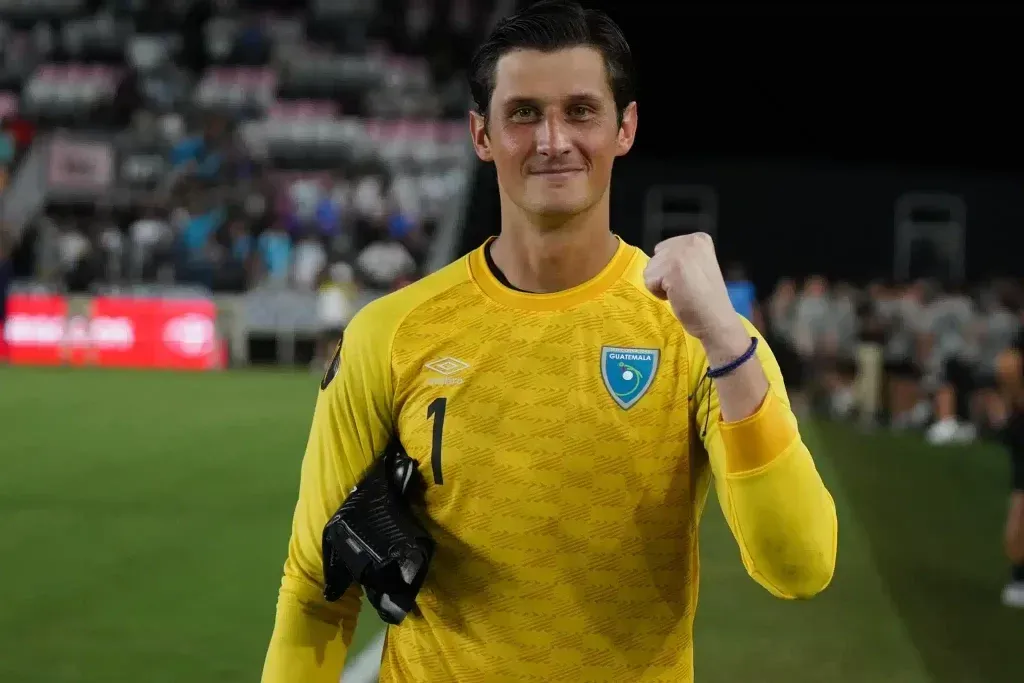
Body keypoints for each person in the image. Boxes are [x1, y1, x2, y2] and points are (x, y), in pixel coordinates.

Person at [261, 2, 838, 681]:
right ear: (482, 134)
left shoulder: (701, 337)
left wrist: (726, 342)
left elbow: (798, 567)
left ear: (626, 127)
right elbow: (316, 586)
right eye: (524, 113)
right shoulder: (390, 334)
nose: (553, 139)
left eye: (582, 110)